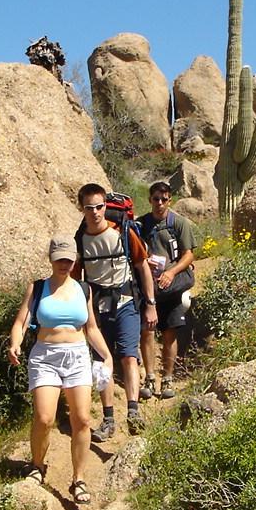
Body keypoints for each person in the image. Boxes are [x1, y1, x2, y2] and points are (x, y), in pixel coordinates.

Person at [7, 235, 114, 506]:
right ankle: (37, 465)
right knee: (44, 418)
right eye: (59, 259)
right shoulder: (38, 287)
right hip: (45, 356)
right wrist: (15, 343)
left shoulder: (84, 289)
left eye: (69, 259)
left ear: (75, 259)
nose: (64, 264)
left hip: (77, 356)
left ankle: (78, 479)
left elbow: (91, 328)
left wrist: (107, 355)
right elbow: (21, 322)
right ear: (51, 259)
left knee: (82, 419)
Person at [71, 183, 157, 440]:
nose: (96, 212)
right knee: (101, 361)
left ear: (105, 206)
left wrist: (150, 305)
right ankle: (108, 419)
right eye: (90, 208)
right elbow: (76, 280)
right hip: (97, 308)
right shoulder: (80, 240)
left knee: (129, 356)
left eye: (100, 206)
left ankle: (133, 412)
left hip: (126, 301)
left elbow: (142, 266)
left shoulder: (123, 232)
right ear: (82, 208)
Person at [136, 180, 197, 400]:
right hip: (149, 286)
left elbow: (188, 254)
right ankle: (150, 378)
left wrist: (171, 273)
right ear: (150, 199)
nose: (160, 203)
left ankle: (168, 377)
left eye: (164, 199)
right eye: (156, 199)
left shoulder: (179, 223)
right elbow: (135, 252)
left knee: (170, 332)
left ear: (169, 200)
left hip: (171, 287)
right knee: (148, 331)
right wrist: (145, 261)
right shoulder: (142, 224)